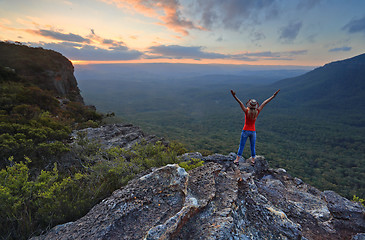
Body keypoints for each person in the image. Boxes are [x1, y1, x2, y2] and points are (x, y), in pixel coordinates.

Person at [231, 89, 280, 165]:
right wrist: (273, 95)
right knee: (252, 146)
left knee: (241, 145)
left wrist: (234, 96)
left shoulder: (246, 111)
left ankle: (237, 159)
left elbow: (240, 103)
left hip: (245, 130)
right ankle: (253, 160)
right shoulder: (257, 111)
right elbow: (265, 102)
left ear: (249, 105)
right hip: (253, 132)